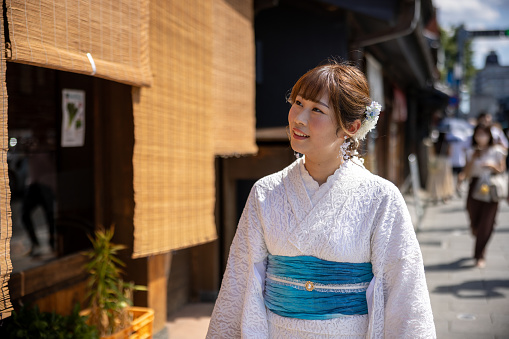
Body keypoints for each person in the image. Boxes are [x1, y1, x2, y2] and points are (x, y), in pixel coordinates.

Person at [206, 61, 435, 338]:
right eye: (298, 102)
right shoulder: (265, 192)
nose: (298, 118)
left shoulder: (380, 198)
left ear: (350, 126)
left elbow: (405, 292)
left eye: (317, 109)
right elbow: (240, 282)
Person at [463, 124, 507, 268]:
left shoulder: (498, 151)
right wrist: (473, 158)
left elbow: (502, 169)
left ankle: (480, 255)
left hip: (491, 187)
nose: (481, 137)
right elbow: (466, 174)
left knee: (486, 222)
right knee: (474, 220)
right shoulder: (471, 151)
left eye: (484, 134)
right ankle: (478, 235)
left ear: (489, 136)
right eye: (478, 134)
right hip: (475, 186)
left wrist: (492, 166)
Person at [426, 131, 455, 203]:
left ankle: (435, 196)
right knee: (445, 180)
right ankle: (444, 196)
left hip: (436, 161)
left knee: (435, 179)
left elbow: (432, 153)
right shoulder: (447, 143)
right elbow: (449, 153)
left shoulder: (435, 143)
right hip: (444, 162)